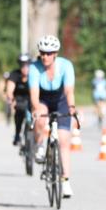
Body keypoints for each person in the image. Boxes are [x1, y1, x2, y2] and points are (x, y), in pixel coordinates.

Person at [28, 35, 78, 198]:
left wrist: (71, 107)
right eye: (42, 53)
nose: (45, 56)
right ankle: (39, 145)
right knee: (40, 119)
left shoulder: (66, 66)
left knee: (64, 140)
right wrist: (35, 108)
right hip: (42, 99)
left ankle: (65, 181)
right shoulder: (34, 68)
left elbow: (69, 91)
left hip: (61, 100)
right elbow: (34, 94)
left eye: (49, 53)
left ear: (55, 53)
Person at [4, 53, 32, 145]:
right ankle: (17, 134)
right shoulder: (15, 74)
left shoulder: (33, 75)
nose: (25, 68)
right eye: (22, 65)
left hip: (31, 99)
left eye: (27, 65)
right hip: (19, 100)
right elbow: (9, 90)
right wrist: (11, 99)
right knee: (19, 113)